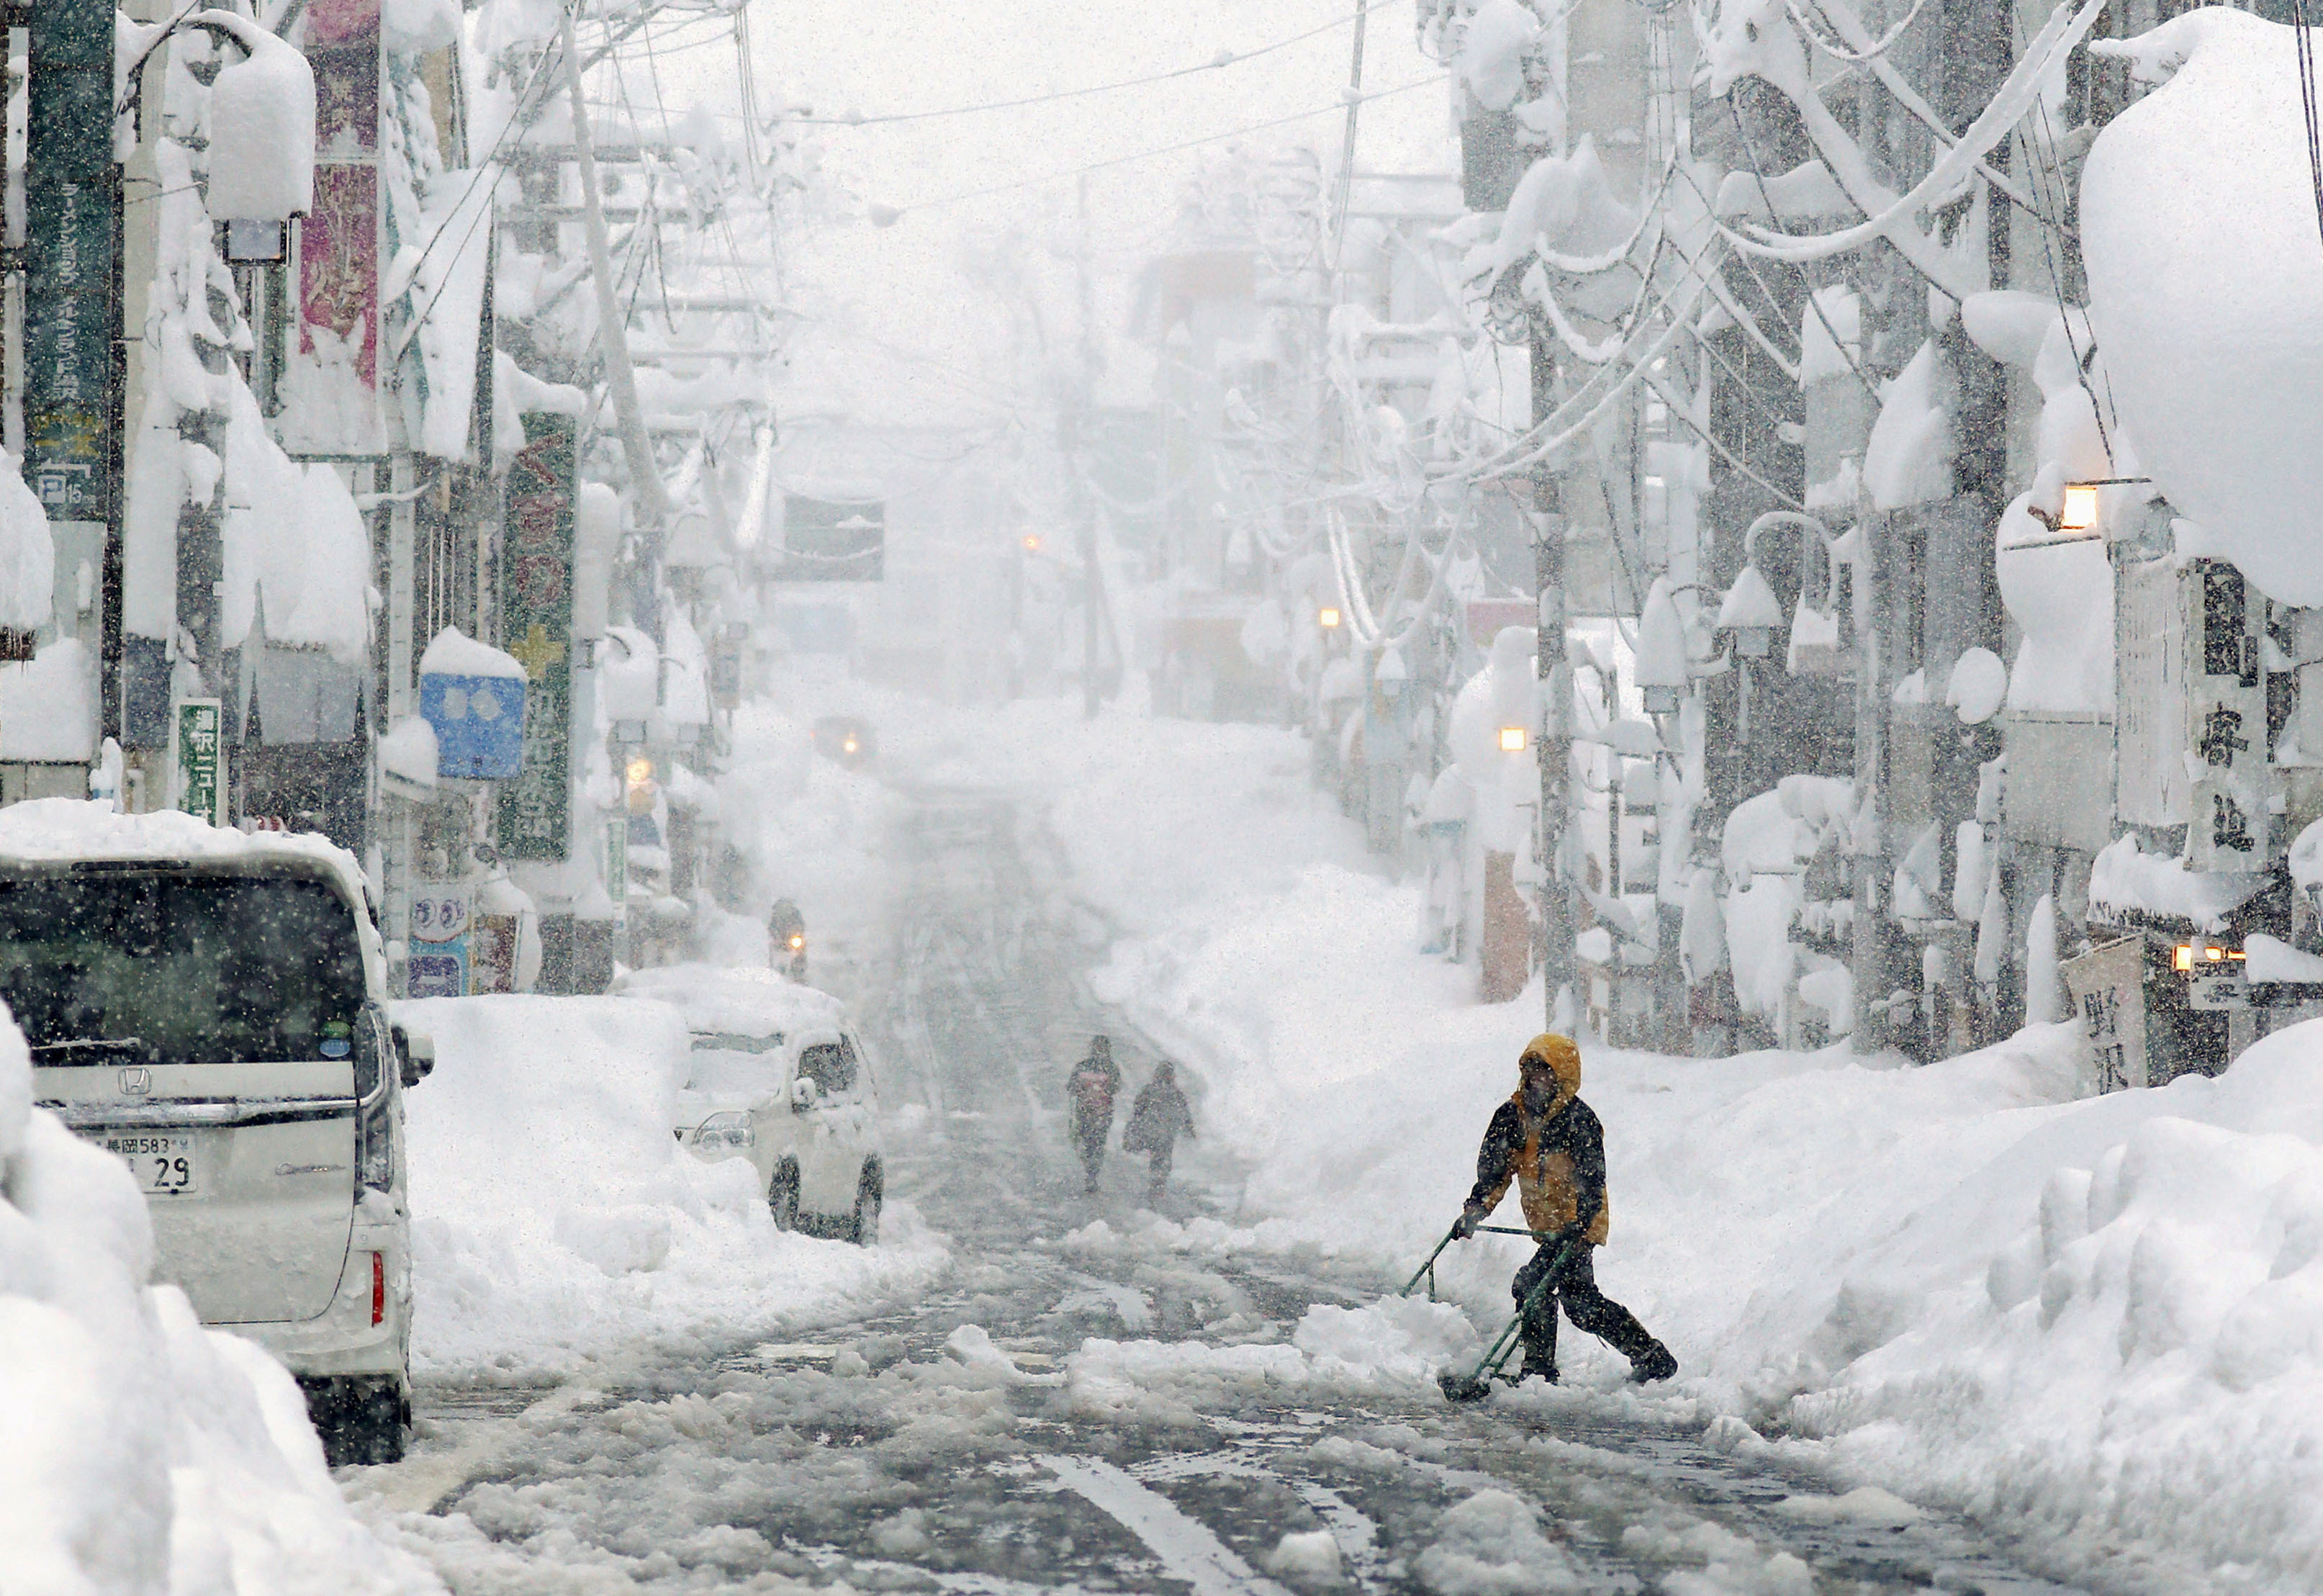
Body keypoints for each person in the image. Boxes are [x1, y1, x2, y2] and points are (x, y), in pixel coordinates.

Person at [1452, 1033, 1677, 1386]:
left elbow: (1592, 1181)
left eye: (1546, 1070)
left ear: (1563, 1075)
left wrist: (1580, 1224)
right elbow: (1495, 1172)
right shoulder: (1511, 1117)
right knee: (1581, 1305)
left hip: (1578, 1226)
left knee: (1532, 1285)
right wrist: (1475, 1210)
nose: (1537, 1077)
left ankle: (1539, 1372)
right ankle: (1652, 1357)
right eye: (1531, 1069)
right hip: (1549, 1227)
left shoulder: (1579, 1121)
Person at [1123, 1060, 1194, 1202]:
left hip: (1150, 1131)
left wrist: (1136, 1127)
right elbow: (1184, 1113)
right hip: (1166, 1134)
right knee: (1162, 1158)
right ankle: (1158, 1185)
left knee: (1156, 1156)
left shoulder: (1148, 1090)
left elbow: (1138, 1110)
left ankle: (1155, 1183)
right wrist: (1188, 1129)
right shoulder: (1176, 1094)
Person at [1065, 1035, 1122, 1193]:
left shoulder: (1082, 1066)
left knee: (1086, 1142)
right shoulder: (1111, 1068)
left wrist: (1083, 1089)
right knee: (1097, 1144)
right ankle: (1092, 1173)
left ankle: (1089, 1168)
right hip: (1102, 1115)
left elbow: (1071, 1087)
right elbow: (1116, 1088)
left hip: (1084, 1112)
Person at [768, 899, 806, 980]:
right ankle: (775, 970)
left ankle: (799, 972)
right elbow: (771, 927)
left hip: (792, 939)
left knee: (800, 951)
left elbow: (801, 925)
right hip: (780, 940)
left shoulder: (796, 915)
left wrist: (798, 933)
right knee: (774, 952)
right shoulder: (776, 916)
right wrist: (776, 937)